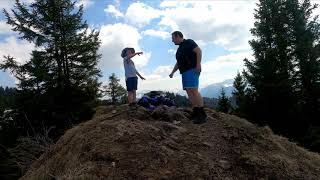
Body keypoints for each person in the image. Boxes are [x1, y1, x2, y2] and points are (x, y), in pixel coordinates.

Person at [169, 31, 207, 124]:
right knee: (188, 91)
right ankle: (195, 111)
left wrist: (198, 65)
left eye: (173, 38)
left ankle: (202, 114)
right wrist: (172, 72)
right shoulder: (179, 50)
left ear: (178, 36)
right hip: (184, 72)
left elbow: (198, 51)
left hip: (192, 69)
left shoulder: (189, 42)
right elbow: (178, 63)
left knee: (194, 90)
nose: (172, 41)